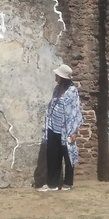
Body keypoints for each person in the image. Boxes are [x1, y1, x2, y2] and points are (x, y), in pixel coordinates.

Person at [38, 63, 83, 192]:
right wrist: (46, 125)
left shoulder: (72, 92)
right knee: (52, 155)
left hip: (66, 129)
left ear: (62, 77)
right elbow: (51, 106)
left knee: (67, 155)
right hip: (53, 127)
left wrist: (74, 131)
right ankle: (52, 183)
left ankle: (68, 183)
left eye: (57, 74)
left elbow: (75, 111)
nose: (55, 76)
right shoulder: (56, 89)